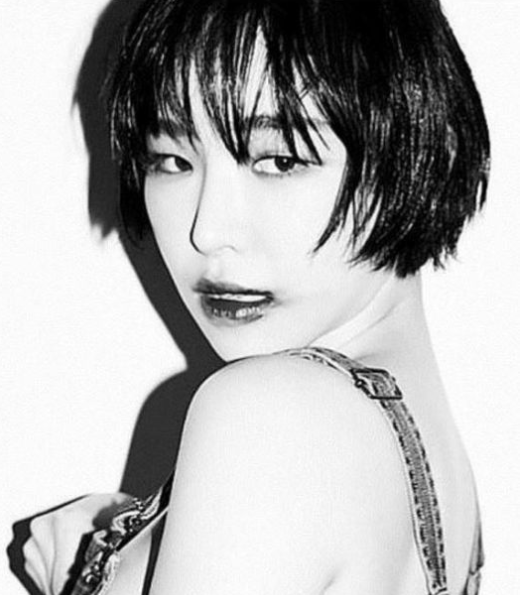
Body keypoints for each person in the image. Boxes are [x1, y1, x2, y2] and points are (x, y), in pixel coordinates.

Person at [19, 0, 490, 593]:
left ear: (420, 150)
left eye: (279, 160)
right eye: (172, 160)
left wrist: (77, 578)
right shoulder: (426, 449)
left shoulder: (271, 416)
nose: (207, 230)